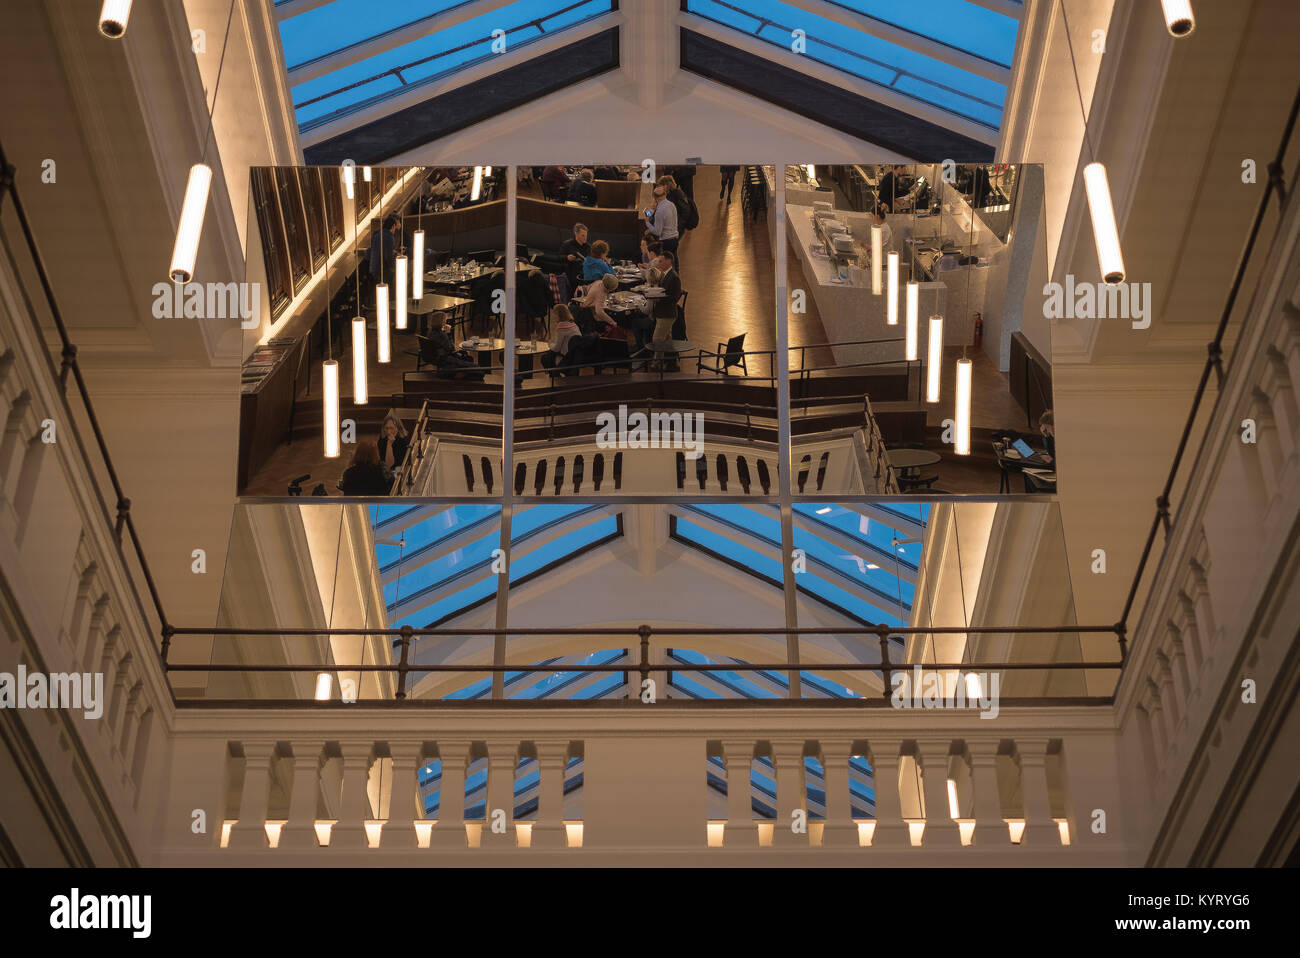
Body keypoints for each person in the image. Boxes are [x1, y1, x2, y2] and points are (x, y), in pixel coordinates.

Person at [650, 251, 683, 370]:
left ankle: (656, 363)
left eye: (661, 261)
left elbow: (675, 297)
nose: (659, 263)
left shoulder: (674, 277)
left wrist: (659, 299)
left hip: (667, 314)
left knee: (657, 339)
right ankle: (672, 363)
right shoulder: (664, 275)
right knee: (667, 339)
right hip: (662, 312)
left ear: (668, 261)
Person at [644, 185, 679, 270]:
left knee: (666, 266)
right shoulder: (671, 205)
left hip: (666, 240)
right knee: (674, 263)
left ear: (655, 197)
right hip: (675, 238)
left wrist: (647, 223)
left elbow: (657, 231)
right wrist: (651, 210)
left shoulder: (660, 211)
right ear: (665, 194)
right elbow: (652, 213)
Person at [368, 215, 400, 302]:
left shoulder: (377, 234)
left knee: (379, 289)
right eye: (395, 227)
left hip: (373, 268)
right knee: (390, 288)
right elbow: (388, 257)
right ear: (393, 226)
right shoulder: (389, 237)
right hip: (383, 269)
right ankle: (391, 304)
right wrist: (394, 267)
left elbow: (376, 249)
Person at [561, 222, 589, 291]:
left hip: (584, 273)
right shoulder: (567, 244)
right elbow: (559, 257)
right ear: (576, 234)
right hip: (572, 273)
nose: (585, 238)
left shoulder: (587, 246)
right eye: (583, 236)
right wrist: (567, 257)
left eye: (586, 235)